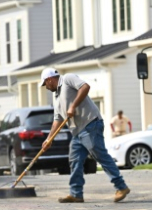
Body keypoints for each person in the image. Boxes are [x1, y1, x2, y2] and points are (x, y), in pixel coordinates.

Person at [39, 67, 130, 203]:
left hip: (90, 124)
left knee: (100, 156)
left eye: (45, 84)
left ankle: (121, 187)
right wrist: (49, 139)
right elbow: (57, 119)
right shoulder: (57, 96)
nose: (45, 87)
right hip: (77, 132)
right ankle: (76, 194)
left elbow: (85, 87)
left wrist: (73, 106)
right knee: (74, 159)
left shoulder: (68, 79)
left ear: (49, 79)